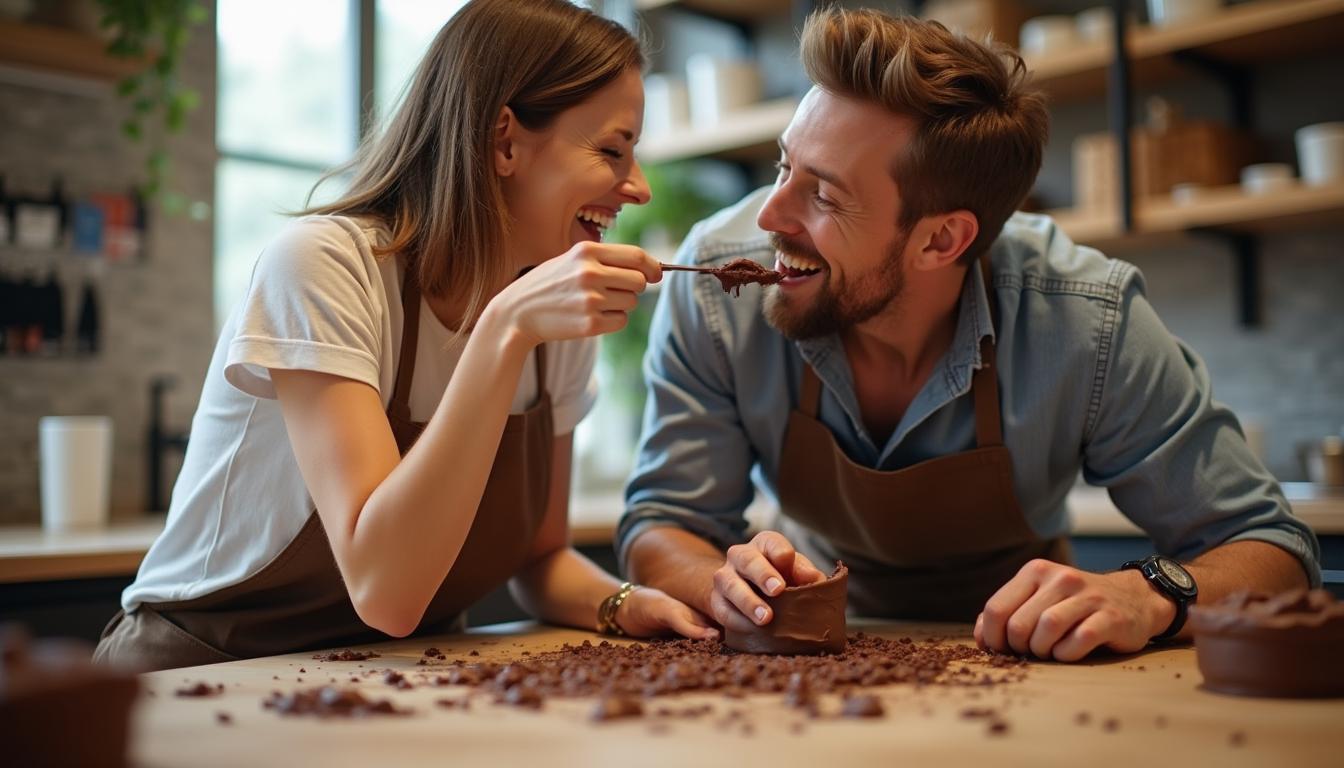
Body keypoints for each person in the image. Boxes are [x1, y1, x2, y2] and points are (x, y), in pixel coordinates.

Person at [618, 8, 1320, 662]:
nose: (771, 216)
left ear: (941, 240)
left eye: (825, 195)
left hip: (1031, 659)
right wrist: (722, 584)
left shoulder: (1086, 320)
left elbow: (1274, 548)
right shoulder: (719, 284)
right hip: (803, 655)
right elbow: (661, 522)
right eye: (783, 165)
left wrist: (1147, 593)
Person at [95, 0, 716, 672]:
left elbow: (540, 561)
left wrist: (625, 602)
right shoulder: (323, 268)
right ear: (505, 140)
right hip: (195, 676)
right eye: (611, 150)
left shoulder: (556, 313)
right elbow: (386, 591)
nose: (641, 187)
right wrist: (504, 331)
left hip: (391, 678)